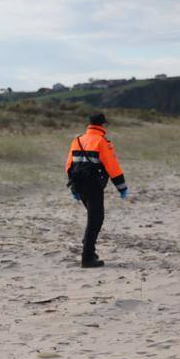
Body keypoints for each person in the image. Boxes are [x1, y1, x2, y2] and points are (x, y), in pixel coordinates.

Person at [65, 113, 129, 268]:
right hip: (93, 185)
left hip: (78, 184)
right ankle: (87, 258)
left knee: (93, 218)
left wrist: (73, 187)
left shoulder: (78, 140)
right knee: (96, 219)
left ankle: (90, 249)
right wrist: (122, 187)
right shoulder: (102, 141)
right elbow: (112, 166)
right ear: (103, 125)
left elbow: (69, 165)